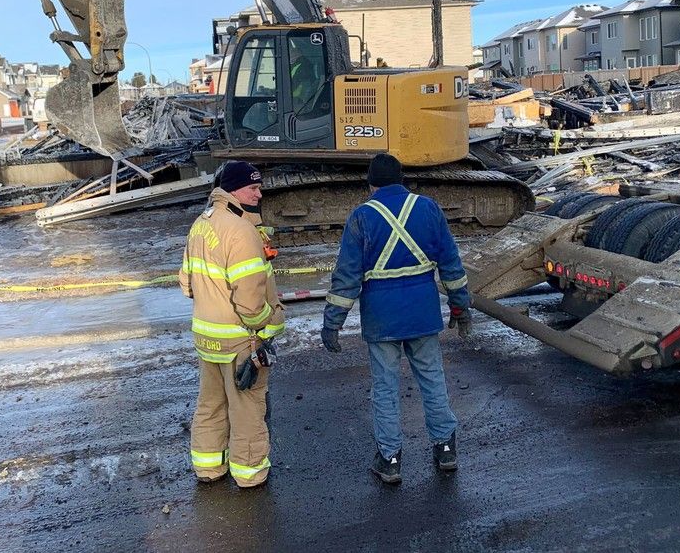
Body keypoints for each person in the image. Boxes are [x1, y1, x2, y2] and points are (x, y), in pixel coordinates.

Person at [321, 153, 472, 484]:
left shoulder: (362, 216)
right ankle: (445, 449)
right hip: (423, 313)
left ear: (371, 184)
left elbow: (347, 277)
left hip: (382, 318)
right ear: (403, 179)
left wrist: (333, 322)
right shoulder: (428, 208)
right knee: (432, 379)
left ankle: (390, 459)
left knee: (385, 388)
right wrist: (460, 306)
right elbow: (450, 263)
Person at [178, 161, 285, 488]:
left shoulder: (200, 223)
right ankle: (250, 476)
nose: (259, 192)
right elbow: (251, 304)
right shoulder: (242, 232)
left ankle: (209, 469)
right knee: (247, 410)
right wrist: (268, 325)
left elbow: (186, 283)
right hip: (240, 341)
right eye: (253, 187)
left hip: (206, 338)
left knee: (210, 405)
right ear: (235, 190)